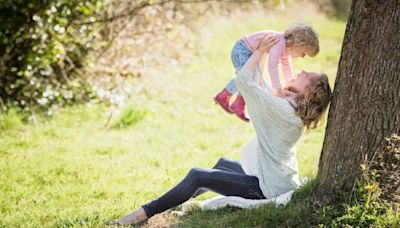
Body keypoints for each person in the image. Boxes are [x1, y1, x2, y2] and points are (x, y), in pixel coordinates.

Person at [111, 35, 331, 226]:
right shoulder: (290, 108)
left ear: (308, 92)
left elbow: (244, 80)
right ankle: (172, 202)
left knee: (198, 175)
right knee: (222, 164)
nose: (302, 70)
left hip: (268, 188)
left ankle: (143, 213)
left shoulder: (283, 110)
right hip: (277, 179)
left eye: (307, 75)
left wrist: (261, 51)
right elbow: (264, 88)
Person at [214, 23, 319, 122]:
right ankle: (225, 95)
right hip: (242, 49)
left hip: (248, 52)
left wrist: (289, 83)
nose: (302, 57)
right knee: (247, 77)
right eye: (304, 53)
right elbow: (272, 65)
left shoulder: (286, 49)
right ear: (299, 44)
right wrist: (277, 87)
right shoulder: (279, 43)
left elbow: (286, 67)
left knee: (252, 78)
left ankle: (239, 103)